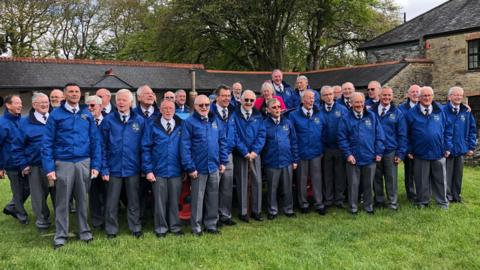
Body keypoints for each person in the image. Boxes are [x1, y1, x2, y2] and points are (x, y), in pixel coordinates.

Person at [42, 83, 101, 249]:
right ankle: (61, 235)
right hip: (64, 162)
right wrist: (49, 168)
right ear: (65, 95)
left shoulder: (86, 115)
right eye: (71, 92)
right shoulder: (56, 115)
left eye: (77, 91)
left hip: (83, 162)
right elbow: (46, 143)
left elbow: (95, 141)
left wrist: (95, 164)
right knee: (62, 201)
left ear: (80, 94)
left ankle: (85, 232)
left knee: (83, 199)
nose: (74, 94)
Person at [180, 95, 228, 236]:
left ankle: (211, 225)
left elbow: (222, 142)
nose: (204, 107)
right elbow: (185, 146)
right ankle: (196, 227)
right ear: (195, 106)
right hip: (197, 169)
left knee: (213, 197)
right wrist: (190, 167)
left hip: (214, 166)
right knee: (197, 199)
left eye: (206, 104)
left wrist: (223, 161)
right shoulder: (189, 122)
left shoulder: (215, 121)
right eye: (200, 105)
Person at [101, 89, 144, 238]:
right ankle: (111, 230)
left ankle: (136, 228)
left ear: (131, 102)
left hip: (133, 168)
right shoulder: (108, 120)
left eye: (124, 100)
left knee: (133, 201)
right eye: (118, 100)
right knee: (111, 202)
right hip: (114, 168)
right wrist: (104, 168)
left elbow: (143, 146)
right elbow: (103, 146)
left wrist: (143, 167)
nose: (120, 102)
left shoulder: (139, 121)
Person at [142, 100, 184, 237]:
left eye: (170, 108)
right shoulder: (152, 125)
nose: (167, 110)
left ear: (174, 109)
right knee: (159, 202)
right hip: (158, 171)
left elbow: (185, 147)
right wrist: (148, 170)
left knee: (174, 201)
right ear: (160, 110)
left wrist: (185, 169)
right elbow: (146, 148)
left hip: (176, 170)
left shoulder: (181, 125)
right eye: (164, 108)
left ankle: (175, 227)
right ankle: (161, 228)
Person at [406, 86, 452, 209]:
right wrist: (409, 149)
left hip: (438, 151)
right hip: (419, 152)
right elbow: (406, 133)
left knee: (440, 180)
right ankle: (422, 202)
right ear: (419, 97)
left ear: (433, 96)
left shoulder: (441, 111)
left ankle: (442, 202)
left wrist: (447, 147)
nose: (427, 98)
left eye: (429, 95)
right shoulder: (411, 113)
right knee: (421, 180)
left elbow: (448, 130)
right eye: (424, 96)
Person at [338, 92, 384, 215]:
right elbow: (342, 139)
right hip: (353, 158)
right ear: (351, 103)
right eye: (357, 102)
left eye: (361, 102)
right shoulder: (345, 118)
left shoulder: (372, 117)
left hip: (370, 157)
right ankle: (353, 207)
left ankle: (369, 207)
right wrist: (348, 154)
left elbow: (380, 136)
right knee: (353, 184)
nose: (359, 105)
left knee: (369, 184)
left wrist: (379, 152)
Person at [14, 92, 55, 229]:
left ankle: (62, 218)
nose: (45, 105)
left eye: (47, 102)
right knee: (38, 196)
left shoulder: (55, 118)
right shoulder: (24, 122)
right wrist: (23, 164)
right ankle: (42, 221)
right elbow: (17, 145)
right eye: (41, 103)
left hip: (56, 164)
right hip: (36, 165)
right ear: (34, 105)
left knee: (59, 193)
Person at [289, 90, 327, 214]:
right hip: (301, 153)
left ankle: (319, 203)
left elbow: (323, 133)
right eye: (308, 98)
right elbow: (292, 136)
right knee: (302, 180)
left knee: (317, 179)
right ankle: (303, 204)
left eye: (313, 98)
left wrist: (321, 149)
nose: (311, 101)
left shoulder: (319, 114)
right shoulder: (294, 115)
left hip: (316, 152)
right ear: (302, 100)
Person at [231, 90, 266, 222]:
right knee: (242, 183)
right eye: (246, 100)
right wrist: (244, 151)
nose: (249, 102)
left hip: (255, 154)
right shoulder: (234, 115)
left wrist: (255, 151)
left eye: (252, 100)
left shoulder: (258, 115)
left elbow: (262, 134)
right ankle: (243, 211)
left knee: (257, 181)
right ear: (241, 100)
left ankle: (257, 211)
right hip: (241, 154)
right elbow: (234, 135)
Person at [372, 87, 407, 210]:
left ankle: (392, 202)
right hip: (374, 151)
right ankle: (379, 201)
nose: (386, 97)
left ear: (392, 97)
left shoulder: (398, 113)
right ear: (379, 96)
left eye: (389, 95)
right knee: (376, 177)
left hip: (390, 151)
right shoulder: (371, 111)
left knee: (391, 178)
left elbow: (402, 135)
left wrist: (400, 153)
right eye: (384, 95)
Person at [263, 98, 299, 219]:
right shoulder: (264, 124)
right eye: (274, 107)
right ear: (268, 110)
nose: (277, 109)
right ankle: (272, 211)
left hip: (287, 160)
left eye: (279, 107)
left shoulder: (287, 123)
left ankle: (288, 209)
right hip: (271, 161)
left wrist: (295, 160)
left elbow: (294, 142)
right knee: (272, 188)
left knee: (287, 187)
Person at [443, 86, 477, 203]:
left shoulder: (466, 112)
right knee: (447, 175)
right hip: (448, 150)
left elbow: (472, 129)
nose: (458, 97)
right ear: (449, 97)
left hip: (461, 148)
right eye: (455, 94)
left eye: (460, 95)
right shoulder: (442, 110)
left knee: (458, 175)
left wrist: (471, 146)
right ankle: (447, 197)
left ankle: (456, 197)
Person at [1, 95, 30, 225]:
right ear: (8, 105)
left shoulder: (22, 121)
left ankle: (11, 207)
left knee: (29, 187)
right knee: (18, 191)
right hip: (11, 163)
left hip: (24, 162)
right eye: (17, 103)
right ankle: (21, 215)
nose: (20, 105)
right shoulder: (2, 124)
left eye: (21, 103)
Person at [210, 85, 237, 226]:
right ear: (217, 97)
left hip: (228, 154)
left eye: (229, 96)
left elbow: (234, 132)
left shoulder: (233, 111)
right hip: (214, 155)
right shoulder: (209, 112)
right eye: (224, 95)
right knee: (214, 188)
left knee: (227, 187)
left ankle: (225, 215)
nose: (227, 98)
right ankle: (213, 217)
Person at [320, 86, 349, 208]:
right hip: (326, 148)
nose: (329, 96)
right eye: (326, 95)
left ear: (334, 95)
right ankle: (328, 199)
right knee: (327, 175)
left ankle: (339, 199)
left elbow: (347, 128)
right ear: (322, 97)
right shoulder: (319, 111)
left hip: (339, 148)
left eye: (331, 94)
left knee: (340, 174)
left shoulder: (342, 110)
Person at [85, 95, 106, 229]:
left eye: (92, 106)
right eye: (87, 106)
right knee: (93, 193)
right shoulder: (84, 121)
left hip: (106, 164)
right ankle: (97, 220)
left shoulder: (109, 121)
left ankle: (108, 218)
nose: (89, 108)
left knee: (107, 193)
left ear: (101, 107)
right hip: (89, 163)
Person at [398, 84, 420, 201]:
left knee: (422, 172)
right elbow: (402, 132)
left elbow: (443, 109)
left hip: (422, 146)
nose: (415, 94)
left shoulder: (426, 106)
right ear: (408, 94)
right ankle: (411, 195)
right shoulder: (401, 109)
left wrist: (463, 106)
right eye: (413, 92)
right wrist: (407, 149)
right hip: (408, 146)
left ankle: (422, 192)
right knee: (410, 172)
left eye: (417, 92)